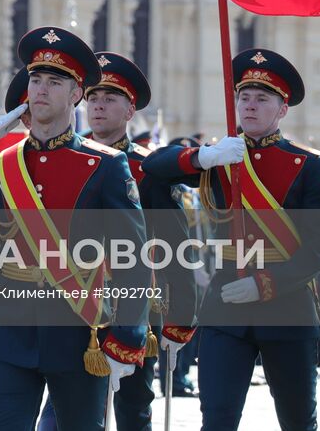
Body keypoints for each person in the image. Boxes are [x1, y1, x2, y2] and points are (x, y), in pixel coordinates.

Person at [0, 28, 149, 431]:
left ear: (76, 94)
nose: (40, 89)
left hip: (79, 330)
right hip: (6, 330)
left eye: (54, 82)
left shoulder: (106, 165)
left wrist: (127, 337)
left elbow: (133, 258)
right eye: (35, 80)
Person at [141, 49, 320, 431]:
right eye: (244, 97)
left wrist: (265, 284)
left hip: (287, 307)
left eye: (262, 98)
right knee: (217, 419)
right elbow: (152, 168)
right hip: (225, 306)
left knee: (298, 420)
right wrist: (202, 158)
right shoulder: (220, 155)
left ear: (282, 109)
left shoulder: (308, 165)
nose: (250, 105)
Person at [83, 51, 198, 431]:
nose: (98, 106)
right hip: (75, 297)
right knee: (73, 410)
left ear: (130, 110)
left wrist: (180, 317)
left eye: (110, 99)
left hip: (132, 306)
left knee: (134, 411)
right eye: (93, 98)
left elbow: (175, 245)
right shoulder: (71, 158)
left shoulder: (148, 170)